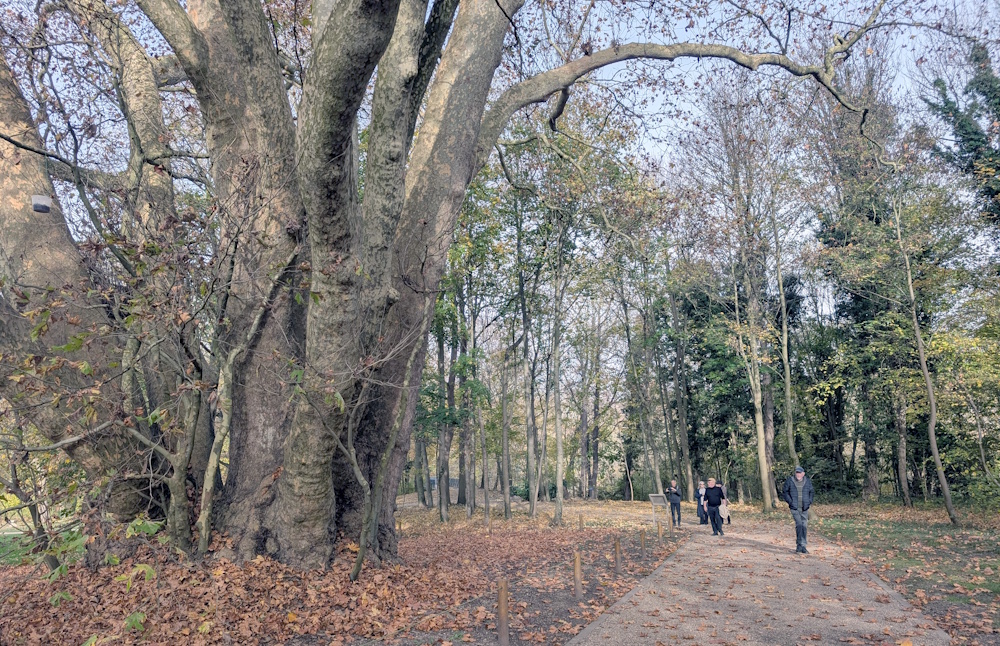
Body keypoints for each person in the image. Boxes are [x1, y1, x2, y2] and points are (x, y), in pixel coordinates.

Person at [782, 466, 815, 554]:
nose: (798, 474)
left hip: (805, 507)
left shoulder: (807, 481)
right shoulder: (790, 480)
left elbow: (811, 492)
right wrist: (790, 502)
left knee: (804, 525)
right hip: (794, 507)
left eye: (800, 473)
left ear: (803, 473)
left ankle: (803, 546)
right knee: (799, 524)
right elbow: (785, 492)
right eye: (797, 472)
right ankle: (798, 545)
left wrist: (809, 502)